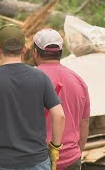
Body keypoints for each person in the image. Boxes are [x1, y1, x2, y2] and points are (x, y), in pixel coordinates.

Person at [0, 24, 65, 170]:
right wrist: (54, 148)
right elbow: (59, 115)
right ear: (24, 49)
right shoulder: (40, 77)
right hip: (37, 161)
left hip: (2, 162)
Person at [34, 29, 90, 170]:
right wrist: (75, 154)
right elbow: (84, 124)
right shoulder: (78, 81)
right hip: (71, 160)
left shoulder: (27, 80)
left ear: (35, 52)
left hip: (36, 161)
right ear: (61, 52)